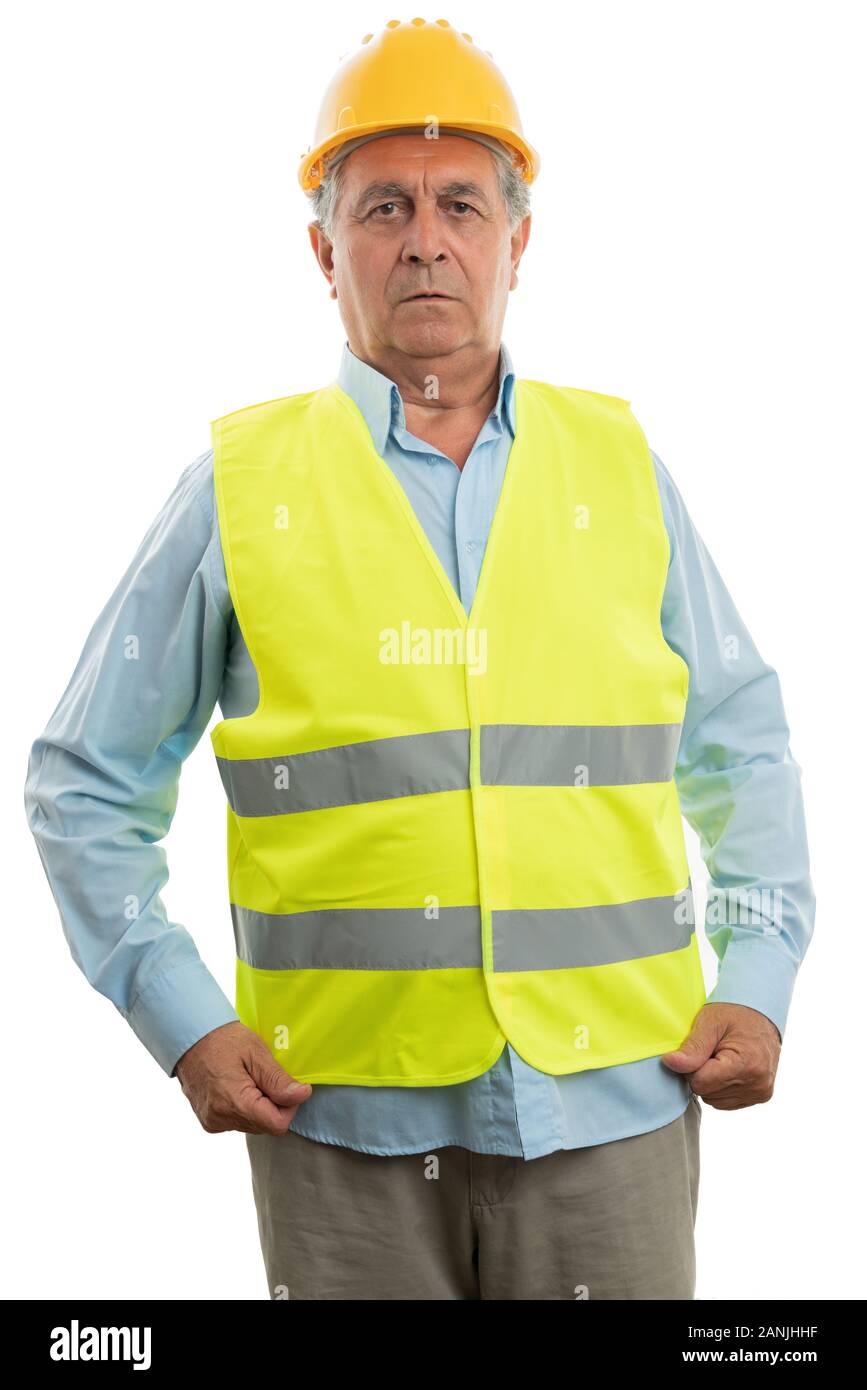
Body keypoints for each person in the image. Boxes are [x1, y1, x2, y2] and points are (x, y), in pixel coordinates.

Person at [24, 18, 815, 1301]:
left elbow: (746, 740)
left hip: (616, 1103)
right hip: (340, 1128)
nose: (427, 239)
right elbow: (83, 779)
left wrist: (763, 973)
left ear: (518, 239)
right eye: (384, 206)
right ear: (323, 250)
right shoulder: (235, 488)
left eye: (460, 202)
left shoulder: (622, 469)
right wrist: (180, 1021)